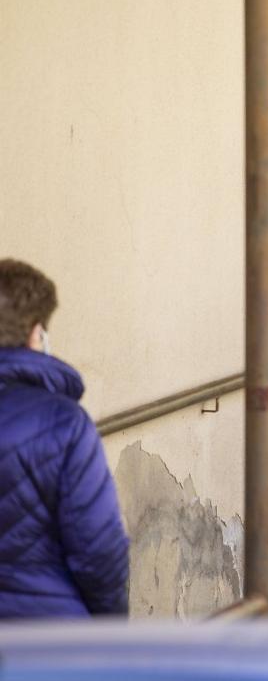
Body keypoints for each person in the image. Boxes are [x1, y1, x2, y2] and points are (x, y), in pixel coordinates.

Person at [0, 259, 129, 618]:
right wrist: (111, 627)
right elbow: (99, 549)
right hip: (46, 641)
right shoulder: (63, 423)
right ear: (36, 334)